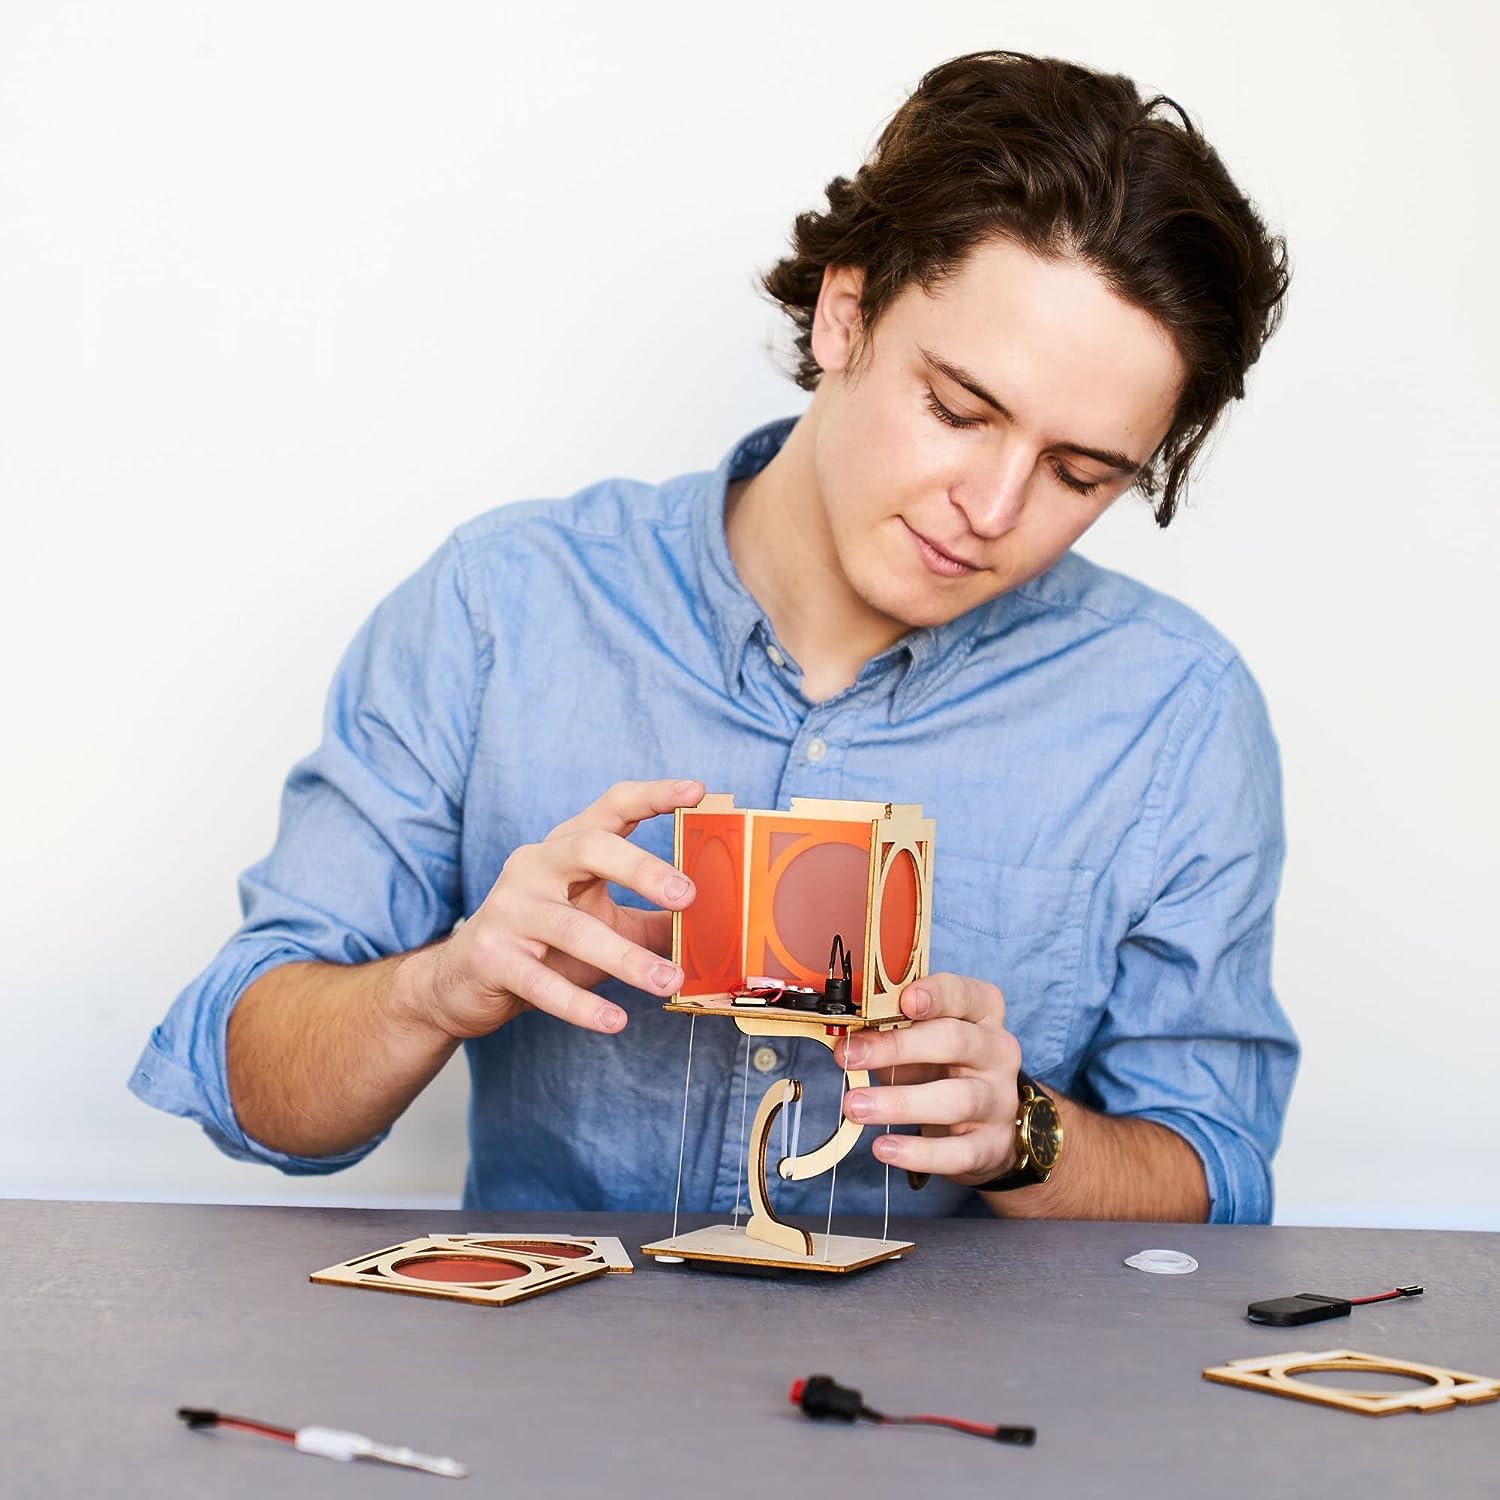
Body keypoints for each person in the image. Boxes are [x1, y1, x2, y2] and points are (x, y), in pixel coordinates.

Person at [130, 49, 1298, 1224]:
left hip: (946, 1349)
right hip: (565, 1335)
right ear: (845, 314)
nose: (993, 510)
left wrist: (1026, 1137)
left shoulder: (1176, 712)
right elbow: (246, 1081)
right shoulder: (502, 608)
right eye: (956, 410)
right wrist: (441, 985)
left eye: (1079, 474)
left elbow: (1219, 1183)